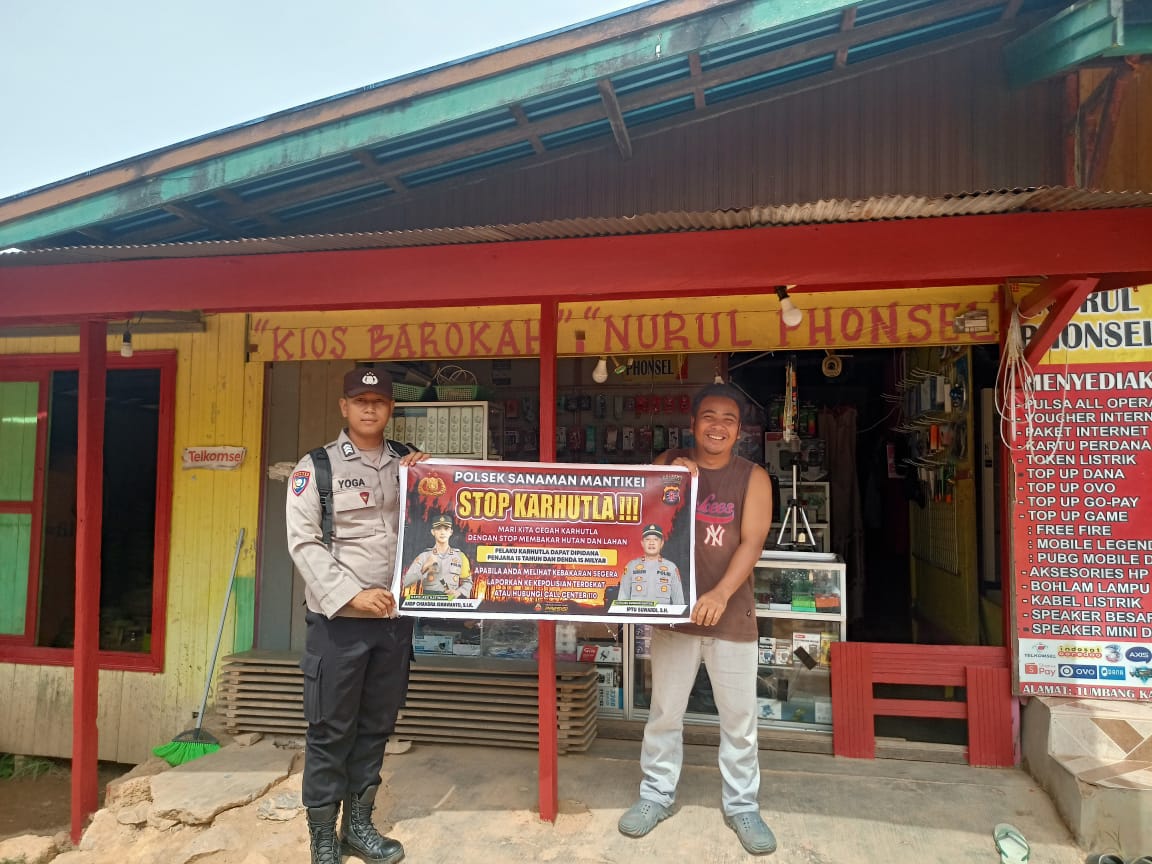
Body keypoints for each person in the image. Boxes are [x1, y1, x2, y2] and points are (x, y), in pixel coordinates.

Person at [618, 382, 777, 856]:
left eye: (729, 420)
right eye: (709, 417)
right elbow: (636, 507)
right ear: (692, 424)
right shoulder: (670, 464)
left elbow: (752, 541)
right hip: (675, 617)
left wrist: (721, 593)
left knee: (739, 719)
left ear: (740, 431)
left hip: (731, 616)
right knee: (665, 713)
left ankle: (742, 805)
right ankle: (656, 795)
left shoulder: (753, 477)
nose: (718, 426)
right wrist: (667, 472)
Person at [286, 366, 428, 864]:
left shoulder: (410, 464)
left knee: (375, 727)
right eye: (360, 401)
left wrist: (433, 478)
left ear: (391, 409)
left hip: (393, 624)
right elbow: (303, 543)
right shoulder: (316, 468)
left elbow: (438, 520)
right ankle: (323, 837)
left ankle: (358, 827)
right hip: (338, 625)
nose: (370, 409)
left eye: (379, 402)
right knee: (330, 729)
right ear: (344, 407)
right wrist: (353, 596)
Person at [401, 513, 473, 599]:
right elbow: (406, 582)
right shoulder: (424, 556)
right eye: (438, 529)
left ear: (451, 532)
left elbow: (468, 582)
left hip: (451, 603)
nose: (442, 532)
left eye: (446, 529)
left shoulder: (460, 556)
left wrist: (458, 592)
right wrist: (424, 569)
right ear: (433, 532)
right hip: (428, 603)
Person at [616, 524, 685, 606]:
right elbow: (622, 601)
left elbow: (679, 603)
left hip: (662, 614)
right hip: (636, 614)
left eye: (656, 539)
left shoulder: (671, 568)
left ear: (661, 543)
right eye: (647, 539)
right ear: (642, 543)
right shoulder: (631, 566)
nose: (651, 543)